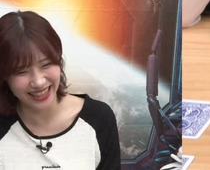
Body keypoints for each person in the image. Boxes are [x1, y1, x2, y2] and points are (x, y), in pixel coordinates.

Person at [0, 11, 121, 170]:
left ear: (59, 60)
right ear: (4, 76)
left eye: (46, 64)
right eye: (22, 71)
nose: (38, 82)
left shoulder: (99, 118)